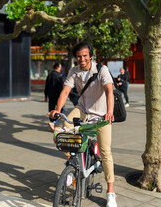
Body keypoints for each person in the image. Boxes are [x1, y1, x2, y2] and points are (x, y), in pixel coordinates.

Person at [48, 42, 117, 207]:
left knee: (106, 151)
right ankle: (73, 163)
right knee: (61, 131)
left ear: (90, 55)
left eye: (85, 55)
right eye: (79, 56)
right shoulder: (74, 71)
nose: (82, 59)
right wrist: (57, 110)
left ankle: (111, 192)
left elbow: (109, 91)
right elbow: (65, 91)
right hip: (83, 110)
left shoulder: (102, 70)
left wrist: (109, 112)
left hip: (101, 114)